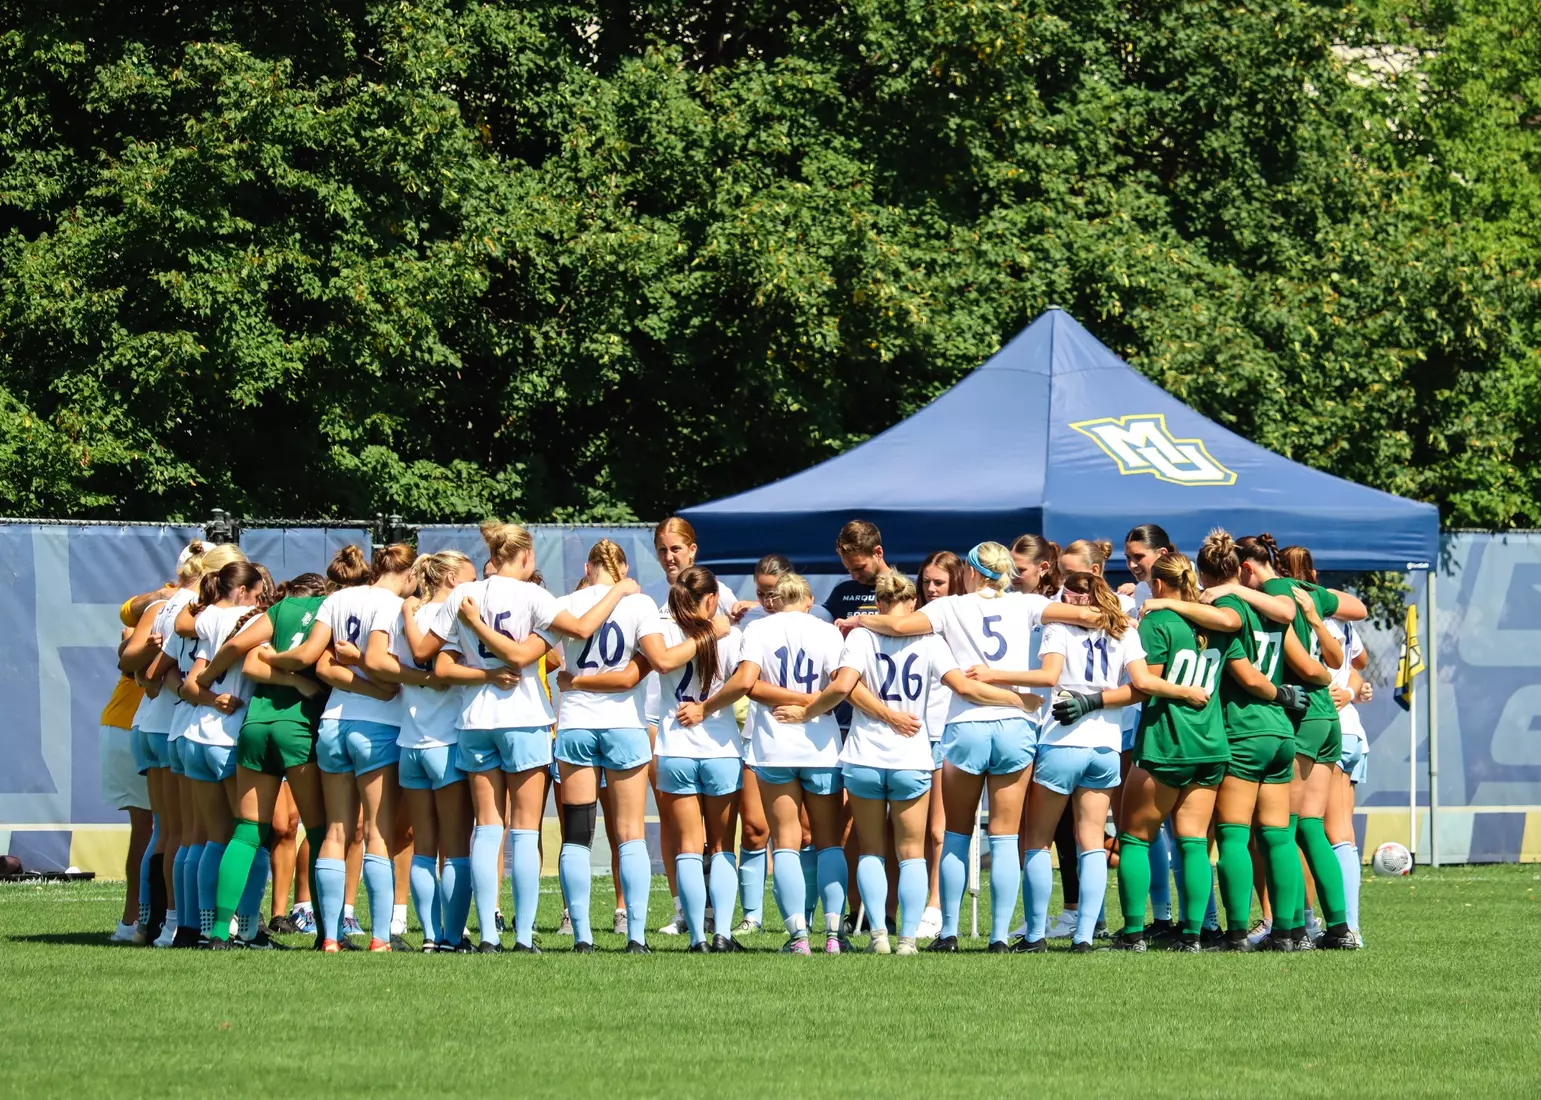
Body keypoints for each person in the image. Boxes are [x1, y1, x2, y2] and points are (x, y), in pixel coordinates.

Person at [850, 542, 1097, 952]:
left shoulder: (950, 608)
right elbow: (1087, 613)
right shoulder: (1027, 604)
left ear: (969, 570)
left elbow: (897, 627)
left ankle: (948, 932)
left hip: (966, 725)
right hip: (1015, 726)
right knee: (1004, 837)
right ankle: (999, 936)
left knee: (957, 834)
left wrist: (857, 620)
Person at [775, 571, 1025, 956]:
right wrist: (1016, 700)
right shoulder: (929, 640)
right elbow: (965, 687)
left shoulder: (861, 636)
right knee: (912, 853)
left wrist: (808, 712)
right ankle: (907, 938)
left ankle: (877, 934)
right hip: (912, 756)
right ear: (912, 604)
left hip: (863, 756)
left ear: (879, 602)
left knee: (872, 850)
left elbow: (842, 687)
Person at [419, 524, 640, 953]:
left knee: (487, 828)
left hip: (475, 721)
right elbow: (574, 632)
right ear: (523, 557)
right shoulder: (534, 596)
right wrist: (617, 592)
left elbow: (432, 658)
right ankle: (521, 936)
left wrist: (469, 634)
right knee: (523, 830)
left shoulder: (467, 595)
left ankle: (486, 934)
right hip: (522, 717)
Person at [977, 570, 1207, 952]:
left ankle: (1034, 936)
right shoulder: (1124, 631)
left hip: (1061, 742)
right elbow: (1140, 684)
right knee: (1092, 843)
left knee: (1037, 842)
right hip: (1105, 747)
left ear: (1070, 597)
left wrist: (994, 676)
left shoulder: (1060, 629)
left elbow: (1050, 676)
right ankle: (1084, 936)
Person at [544, 538, 708, 953]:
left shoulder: (566, 602)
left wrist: (571, 679)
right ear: (624, 568)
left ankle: (581, 935)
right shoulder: (640, 606)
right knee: (630, 834)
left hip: (577, 725)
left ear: (588, 566)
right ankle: (635, 935)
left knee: (578, 834)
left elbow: (539, 654)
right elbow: (655, 660)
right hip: (625, 727)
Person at [1172, 530, 1317, 952]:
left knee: (1234, 836)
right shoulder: (1268, 604)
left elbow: (1242, 672)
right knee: (1278, 836)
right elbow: (1288, 611)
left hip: (1244, 729)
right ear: (1239, 568)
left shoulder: (1224, 606)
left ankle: (1236, 934)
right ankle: (1289, 932)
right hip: (1280, 733)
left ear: (1203, 573)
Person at [268, 544, 415, 952]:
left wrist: (272, 658)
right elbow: (387, 667)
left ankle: (330, 936)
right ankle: (380, 938)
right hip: (378, 727)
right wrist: (379, 688)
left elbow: (320, 663)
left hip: (333, 723)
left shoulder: (337, 599)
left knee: (335, 830)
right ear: (406, 574)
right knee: (376, 833)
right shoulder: (396, 606)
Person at [1238, 533, 1365, 950]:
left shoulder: (1270, 594)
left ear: (1247, 568)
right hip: (1330, 718)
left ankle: (1290, 930)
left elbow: (1316, 668)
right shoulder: (1307, 590)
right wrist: (1316, 609)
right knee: (1311, 826)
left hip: (1301, 712)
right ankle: (1340, 928)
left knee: (1284, 827)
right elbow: (1356, 612)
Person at [714, 572, 849, 955]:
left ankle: (798, 937)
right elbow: (840, 686)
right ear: (807, 600)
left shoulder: (758, 630)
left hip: (773, 745)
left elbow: (747, 683)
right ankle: (834, 936)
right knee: (827, 844)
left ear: (776, 599)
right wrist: (810, 704)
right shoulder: (827, 632)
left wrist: (790, 700)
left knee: (786, 843)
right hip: (821, 745)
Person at [199, 571, 332, 949]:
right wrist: (301, 681)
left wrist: (208, 678)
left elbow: (249, 659)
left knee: (246, 831)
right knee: (320, 833)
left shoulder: (280, 608)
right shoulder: (332, 608)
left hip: (256, 724)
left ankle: (220, 933)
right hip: (299, 728)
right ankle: (328, 935)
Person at [1104, 553, 1229, 952]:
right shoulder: (1210, 619)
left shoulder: (1159, 620)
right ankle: (1193, 935)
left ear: (1157, 585)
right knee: (1193, 842)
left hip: (1167, 741)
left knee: (1135, 839)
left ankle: (1135, 934)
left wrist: (1094, 701)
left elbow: (1146, 684)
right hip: (1209, 742)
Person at [364, 551, 478, 952]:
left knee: (425, 847)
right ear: (449, 577)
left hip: (409, 743)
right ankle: (450, 936)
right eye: (468, 574)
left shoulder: (402, 611)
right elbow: (428, 655)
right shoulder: (454, 608)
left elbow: (382, 660)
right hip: (445, 743)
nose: (474, 581)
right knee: (457, 846)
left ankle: (429, 936)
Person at [644, 517, 739, 937]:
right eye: (662, 549)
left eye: (675, 549)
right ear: (712, 602)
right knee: (718, 845)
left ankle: (701, 933)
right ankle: (713, 926)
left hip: (677, 742)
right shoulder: (722, 629)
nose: (669, 557)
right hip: (712, 744)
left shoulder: (662, 625)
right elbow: (745, 678)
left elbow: (661, 661)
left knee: (687, 842)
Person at [153, 541, 246, 947]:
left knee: (194, 836)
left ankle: (182, 925)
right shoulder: (238, 615)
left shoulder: (188, 613)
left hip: (184, 729)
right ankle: (226, 925)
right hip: (219, 733)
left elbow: (157, 675)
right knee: (232, 837)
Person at [1279, 543, 1372, 946]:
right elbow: (1357, 665)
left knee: (1305, 826)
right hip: (1349, 731)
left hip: (1315, 723)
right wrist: (1352, 693)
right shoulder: (1339, 619)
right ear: (1315, 577)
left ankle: (1310, 923)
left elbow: (1327, 668)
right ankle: (1347, 925)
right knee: (1340, 833)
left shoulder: (1291, 613)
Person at [117, 547, 204, 943]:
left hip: (147, 725)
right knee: (186, 833)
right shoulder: (197, 608)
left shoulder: (165, 605)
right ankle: (172, 923)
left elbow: (139, 669)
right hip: (175, 725)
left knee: (163, 832)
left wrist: (152, 678)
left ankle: (147, 924)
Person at [180, 561, 269, 947]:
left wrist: (214, 699)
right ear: (245, 590)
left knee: (214, 839)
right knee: (251, 837)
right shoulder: (256, 619)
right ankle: (247, 928)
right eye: (260, 589)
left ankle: (204, 928)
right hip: (231, 740)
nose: (265, 596)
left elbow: (190, 684)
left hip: (195, 735)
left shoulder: (209, 619)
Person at [913, 549, 966, 939]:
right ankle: (905, 904)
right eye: (927, 582)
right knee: (909, 829)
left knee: (939, 829)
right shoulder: (918, 619)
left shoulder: (962, 618)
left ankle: (935, 903)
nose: (931, 589)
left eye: (939, 582)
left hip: (948, 729)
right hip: (912, 730)